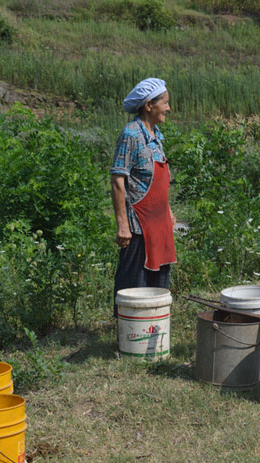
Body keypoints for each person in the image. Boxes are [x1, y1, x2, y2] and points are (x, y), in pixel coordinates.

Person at [110, 78, 176, 317]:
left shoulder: (156, 135)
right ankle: (130, 330)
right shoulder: (131, 134)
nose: (168, 108)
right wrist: (122, 224)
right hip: (138, 226)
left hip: (159, 224)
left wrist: (168, 212)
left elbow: (156, 182)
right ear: (149, 105)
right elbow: (118, 180)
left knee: (158, 288)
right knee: (134, 288)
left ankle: (154, 327)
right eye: (164, 103)